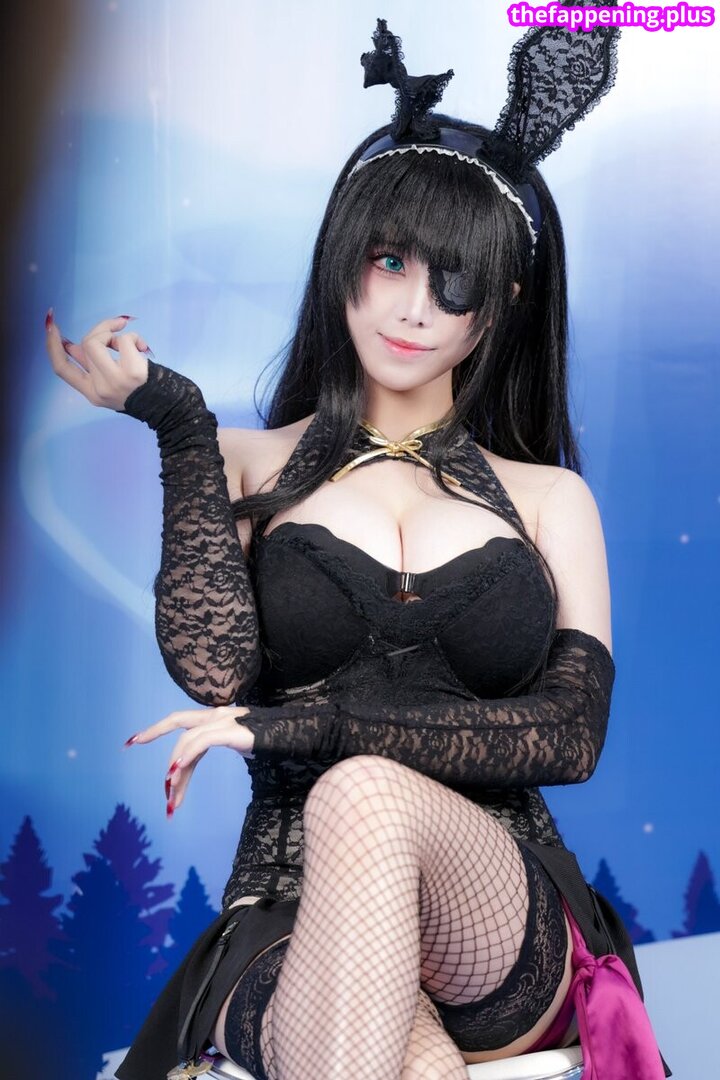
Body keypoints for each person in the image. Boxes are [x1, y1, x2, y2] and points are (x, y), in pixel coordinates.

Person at [45, 14, 671, 1080]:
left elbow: (569, 738)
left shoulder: (548, 498)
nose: (413, 308)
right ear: (346, 263)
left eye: (454, 283)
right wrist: (181, 426)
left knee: (360, 790)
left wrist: (315, 728)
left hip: (492, 905)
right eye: (389, 261)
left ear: (500, 307)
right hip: (286, 908)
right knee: (404, 1060)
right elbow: (214, 673)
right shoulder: (241, 461)